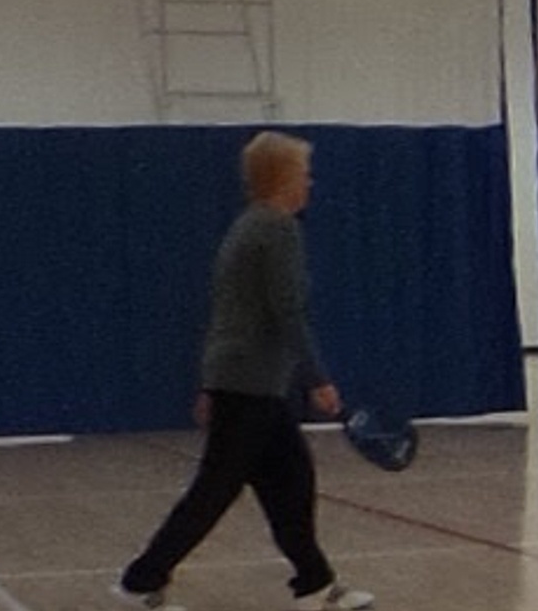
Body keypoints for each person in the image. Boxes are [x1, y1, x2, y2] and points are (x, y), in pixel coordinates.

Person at [115, 132, 373, 611]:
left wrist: (211, 382)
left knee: (291, 480)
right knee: (214, 491)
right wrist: (317, 377)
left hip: (246, 382)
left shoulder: (245, 227)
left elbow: (227, 312)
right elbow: (286, 311)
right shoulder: (276, 229)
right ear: (281, 177)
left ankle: (315, 584)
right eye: (303, 174)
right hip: (252, 384)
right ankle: (140, 582)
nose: (309, 183)